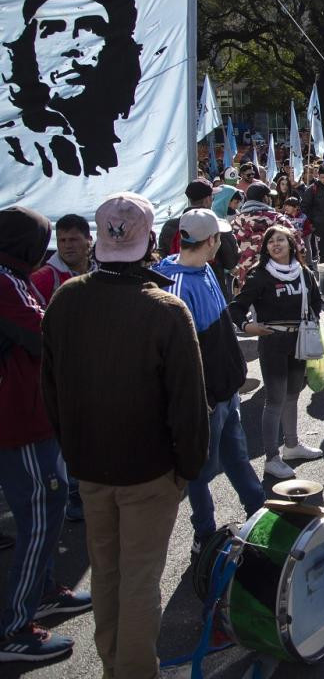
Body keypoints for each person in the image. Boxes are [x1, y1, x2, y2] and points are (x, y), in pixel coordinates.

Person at [41, 193, 208, 678]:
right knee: (137, 577)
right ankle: (134, 670)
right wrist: (187, 468)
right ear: (151, 241)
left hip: (90, 462)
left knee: (109, 570)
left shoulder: (67, 297)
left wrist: (72, 445)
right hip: (147, 467)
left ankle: (117, 662)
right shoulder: (164, 309)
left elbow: (50, 388)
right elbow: (188, 405)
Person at [0, 207, 91, 664]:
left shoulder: (14, 277)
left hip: (36, 415)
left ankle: (46, 588)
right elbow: (44, 335)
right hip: (18, 421)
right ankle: (15, 627)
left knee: (51, 508)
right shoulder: (3, 281)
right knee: (39, 515)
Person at [154, 209, 265, 556]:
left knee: (237, 455)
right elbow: (180, 353)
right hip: (206, 397)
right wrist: (201, 397)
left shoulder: (202, 269)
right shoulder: (175, 284)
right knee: (201, 468)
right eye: (220, 237)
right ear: (211, 240)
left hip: (225, 389)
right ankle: (204, 532)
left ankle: (258, 510)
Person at [3, 0, 143, 177]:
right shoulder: (14, 148)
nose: (75, 47)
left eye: (90, 29)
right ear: (30, 42)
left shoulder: (130, 144)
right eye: (53, 29)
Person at [228, 226, 324, 479]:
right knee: (274, 400)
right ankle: (271, 457)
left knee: (293, 394)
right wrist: (248, 326)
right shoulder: (259, 276)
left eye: (280, 239)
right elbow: (236, 309)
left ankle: (292, 445)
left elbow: (316, 301)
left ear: (292, 244)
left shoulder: (304, 273)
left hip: (299, 341)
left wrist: (312, 322)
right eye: (270, 241)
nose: (275, 244)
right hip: (272, 343)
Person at [159, 178, 240, 297]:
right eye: (212, 197)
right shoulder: (217, 226)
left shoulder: (170, 226)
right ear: (207, 200)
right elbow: (231, 261)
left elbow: (163, 254)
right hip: (209, 288)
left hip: (176, 287)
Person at [231, 182, 305, 283]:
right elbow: (299, 247)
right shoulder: (278, 219)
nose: (270, 199)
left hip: (246, 279)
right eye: (269, 197)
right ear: (265, 198)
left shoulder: (236, 221)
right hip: (277, 278)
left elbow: (231, 251)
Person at [30, 214, 91, 301]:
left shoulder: (103, 271)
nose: (67, 246)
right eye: (62, 240)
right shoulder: (42, 279)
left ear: (89, 240)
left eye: (73, 240)